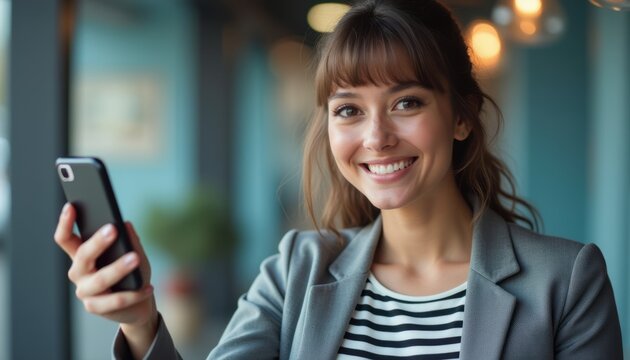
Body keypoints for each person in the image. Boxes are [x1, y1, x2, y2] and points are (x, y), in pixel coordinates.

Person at [54, 0, 623, 359]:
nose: (375, 137)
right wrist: (139, 323)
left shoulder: (565, 280)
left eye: (406, 102)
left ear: (461, 115)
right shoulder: (297, 268)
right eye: (348, 109)